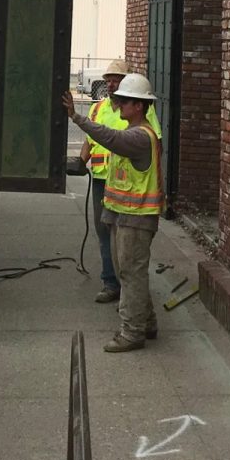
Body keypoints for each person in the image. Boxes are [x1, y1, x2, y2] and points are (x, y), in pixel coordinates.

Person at [63, 73, 163, 353]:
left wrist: (77, 117)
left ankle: (132, 332)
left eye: (124, 101)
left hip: (136, 217)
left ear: (139, 106)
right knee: (130, 272)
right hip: (124, 214)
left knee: (130, 273)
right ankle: (147, 322)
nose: (117, 103)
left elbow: (110, 138)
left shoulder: (139, 137)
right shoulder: (135, 132)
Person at [79, 59, 162, 304]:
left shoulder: (141, 115)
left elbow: (145, 143)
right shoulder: (98, 109)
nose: (112, 84)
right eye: (109, 80)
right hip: (105, 182)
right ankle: (111, 283)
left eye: (117, 79)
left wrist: (75, 116)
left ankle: (132, 305)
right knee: (105, 234)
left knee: (129, 255)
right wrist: (80, 161)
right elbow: (90, 140)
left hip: (132, 194)